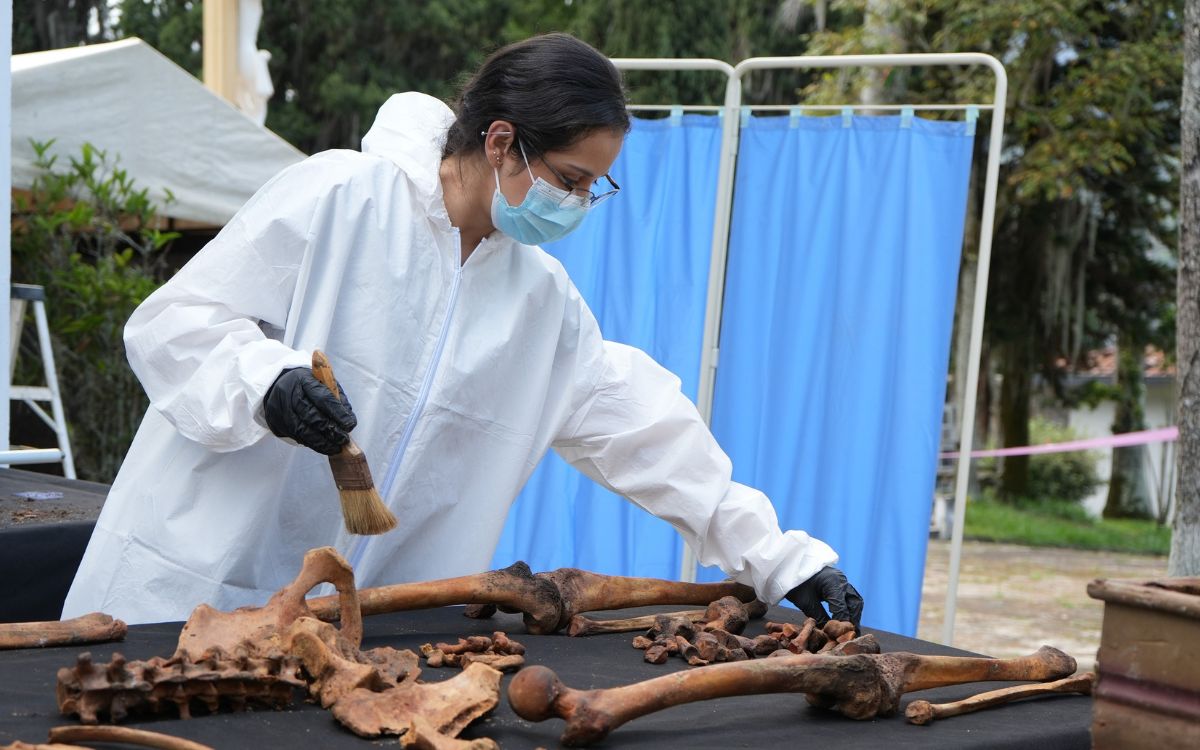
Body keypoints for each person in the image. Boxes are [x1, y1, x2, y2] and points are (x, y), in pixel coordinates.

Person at [63, 33, 863, 629]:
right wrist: (263, 381)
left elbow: (648, 435)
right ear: (502, 141)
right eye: (570, 180)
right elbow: (174, 323)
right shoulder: (343, 198)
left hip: (369, 632)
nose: (579, 205)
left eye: (594, 187)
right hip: (200, 594)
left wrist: (781, 558)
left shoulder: (541, 305)